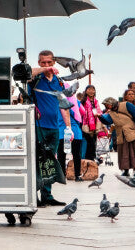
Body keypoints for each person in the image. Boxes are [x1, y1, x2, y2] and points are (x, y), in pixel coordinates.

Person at [27, 50, 71, 207]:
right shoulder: (35, 78)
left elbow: (64, 106)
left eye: (49, 63)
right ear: (39, 63)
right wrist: (44, 70)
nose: (46, 65)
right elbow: (27, 72)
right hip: (38, 126)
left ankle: (47, 195)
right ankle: (34, 195)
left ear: (54, 62)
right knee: (37, 160)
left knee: (50, 161)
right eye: (43, 63)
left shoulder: (58, 82)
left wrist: (68, 127)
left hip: (54, 127)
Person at [100, 95, 135, 177]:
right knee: (124, 153)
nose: (106, 107)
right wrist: (100, 117)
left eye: (107, 105)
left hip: (132, 132)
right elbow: (108, 121)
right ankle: (126, 171)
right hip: (121, 134)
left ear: (111, 103)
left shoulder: (127, 105)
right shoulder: (111, 113)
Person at [57, 91, 84, 181]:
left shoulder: (58, 103)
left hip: (62, 132)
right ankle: (77, 176)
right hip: (75, 132)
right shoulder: (76, 102)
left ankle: (62, 176)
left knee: (62, 155)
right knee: (76, 154)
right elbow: (83, 113)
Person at [81, 85, 101, 160]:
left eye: (93, 89)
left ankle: (92, 160)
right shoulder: (83, 102)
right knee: (90, 144)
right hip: (86, 125)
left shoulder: (96, 102)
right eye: (89, 89)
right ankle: (88, 160)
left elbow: (99, 113)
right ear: (86, 91)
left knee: (93, 144)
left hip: (95, 126)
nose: (91, 91)